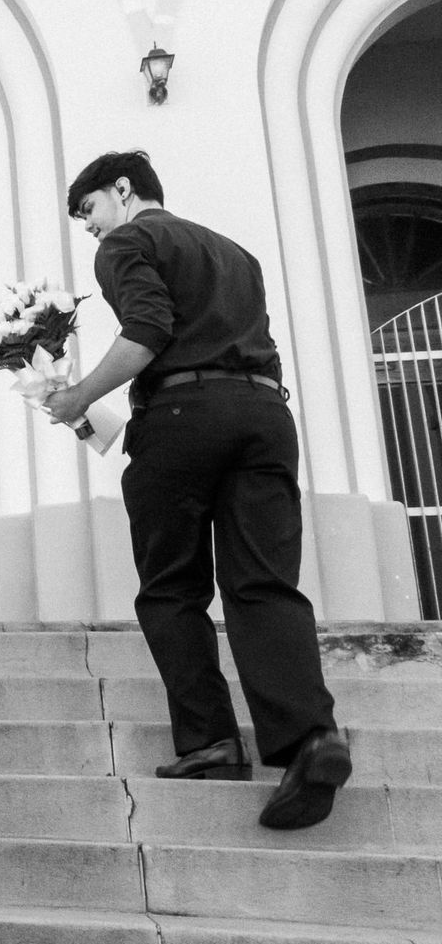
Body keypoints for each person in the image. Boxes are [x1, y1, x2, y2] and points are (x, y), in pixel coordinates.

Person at [43, 150, 348, 830]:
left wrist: (79, 397)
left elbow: (148, 331)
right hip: (266, 415)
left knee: (173, 587)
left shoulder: (130, 240)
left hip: (182, 419)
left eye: (89, 208)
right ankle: (311, 739)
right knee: (264, 584)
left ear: (123, 190)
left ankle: (211, 741)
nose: (90, 227)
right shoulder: (238, 253)